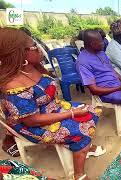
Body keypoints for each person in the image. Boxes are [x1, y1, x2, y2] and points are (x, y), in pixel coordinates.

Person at [0, 27, 105, 180]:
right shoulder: (14, 86)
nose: (40, 48)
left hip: (51, 109)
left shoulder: (33, 67)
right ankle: (79, 174)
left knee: (92, 110)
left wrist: (67, 111)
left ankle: (82, 148)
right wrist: (71, 113)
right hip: (32, 125)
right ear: (20, 54)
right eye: (34, 46)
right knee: (81, 130)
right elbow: (31, 120)